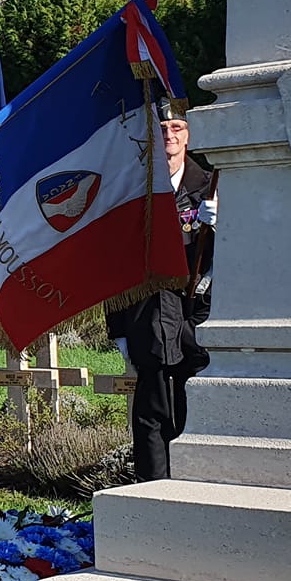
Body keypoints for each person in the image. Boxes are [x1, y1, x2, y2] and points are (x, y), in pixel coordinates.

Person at [107, 104, 216, 481]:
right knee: (150, 412)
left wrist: (225, 228)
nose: (169, 134)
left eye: (177, 127)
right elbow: (114, 261)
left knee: (196, 404)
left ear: (189, 134)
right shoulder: (131, 187)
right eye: (161, 127)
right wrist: (118, 327)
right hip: (147, 314)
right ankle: (153, 489)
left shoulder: (212, 186)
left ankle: (196, 485)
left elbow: (249, 257)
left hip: (197, 313)